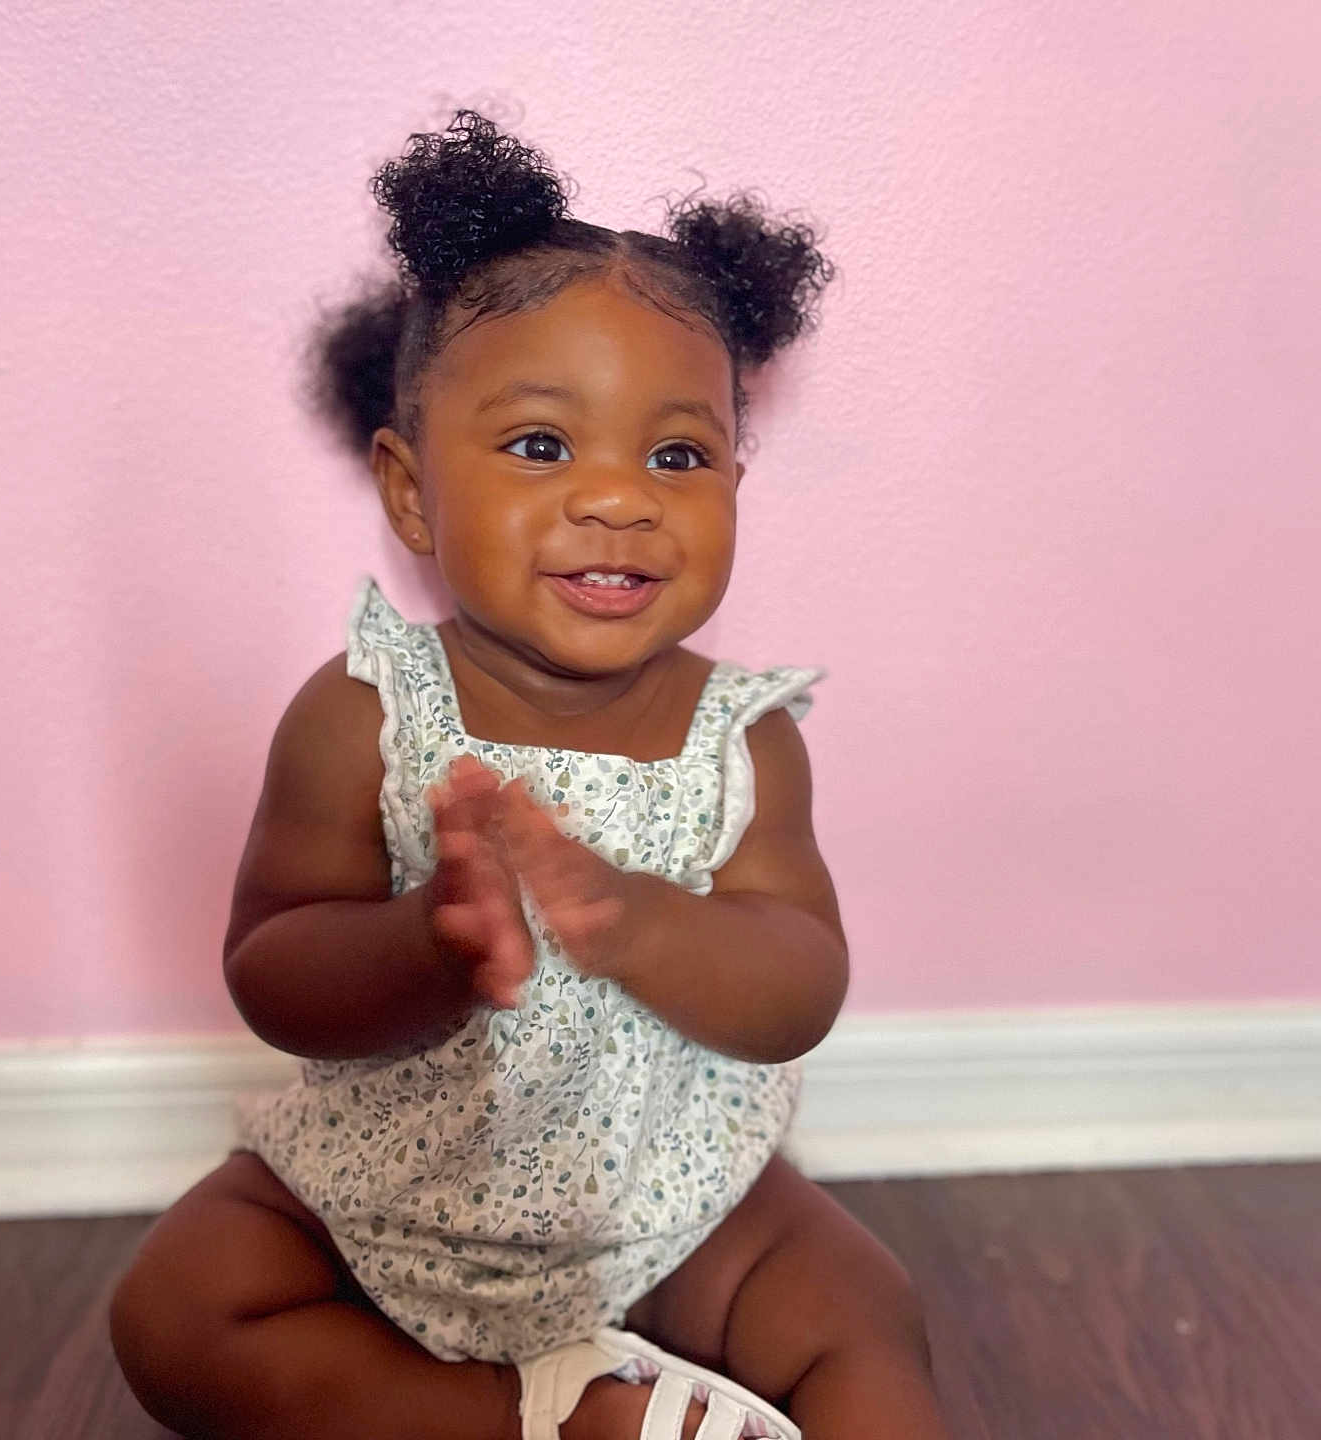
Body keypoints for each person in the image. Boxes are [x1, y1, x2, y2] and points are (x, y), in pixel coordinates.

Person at [110, 111, 948, 1440]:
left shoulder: (742, 737)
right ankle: (533, 1413)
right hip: (390, 1182)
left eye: (677, 455)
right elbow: (272, 967)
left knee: (863, 1307)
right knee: (181, 1304)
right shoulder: (364, 716)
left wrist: (641, 921)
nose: (620, 498)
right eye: (543, 445)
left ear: (735, 476)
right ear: (411, 493)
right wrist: (426, 944)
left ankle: (596, 1388)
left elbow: (801, 981)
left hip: (667, 1191)